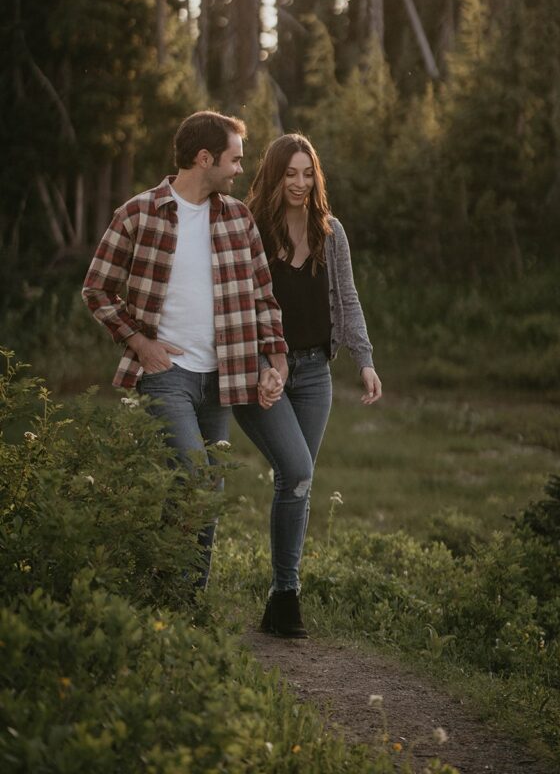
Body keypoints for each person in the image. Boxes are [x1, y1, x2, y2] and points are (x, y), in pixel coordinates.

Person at [82, 110, 288, 589]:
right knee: (199, 480)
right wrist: (138, 341)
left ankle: (184, 598)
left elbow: (263, 296)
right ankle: (167, 586)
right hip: (166, 374)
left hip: (222, 378)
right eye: (234, 160)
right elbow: (96, 289)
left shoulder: (238, 218)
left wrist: (274, 360)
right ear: (204, 158)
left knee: (198, 492)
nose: (241, 169)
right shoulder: (138, 213)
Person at [233, 133, 382, 638]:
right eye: (289, 174)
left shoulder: (329, 232)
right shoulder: (249, 229)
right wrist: (257, 367)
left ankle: (282, 598)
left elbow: (349, 299)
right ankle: (287, 593)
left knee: (296, 481)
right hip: (259, 373)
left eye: (307, 173)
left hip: (316, 371)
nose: (299, 184)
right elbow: (236, 309)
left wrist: (364, 361)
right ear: (273, 177)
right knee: (295, 469)